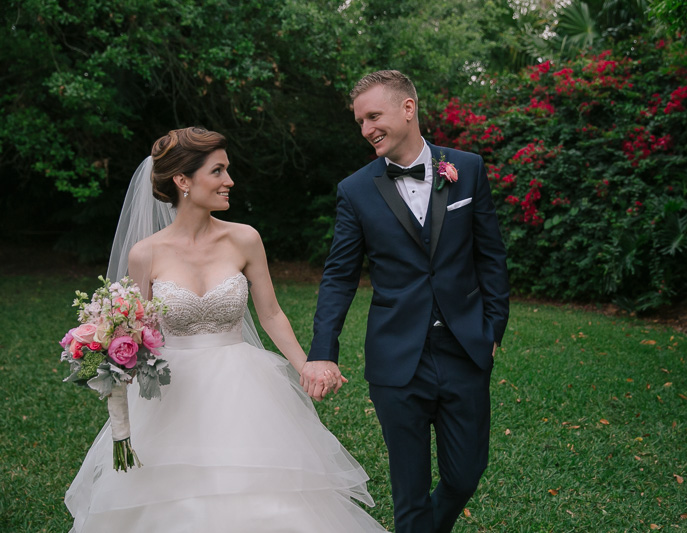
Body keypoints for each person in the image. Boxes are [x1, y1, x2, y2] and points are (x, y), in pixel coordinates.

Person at [65, 127, 386, 532]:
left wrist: (307, 366)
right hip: (171, 394)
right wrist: (110, 354)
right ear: (183, 180)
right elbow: (133, 328)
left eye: (227, 170)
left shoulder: (245, 239)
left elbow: (270, 314)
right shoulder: (145, 254)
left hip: (244, 387)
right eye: (217, 171)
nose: (229, 181)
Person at [301, 70, 510, 533]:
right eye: (360, 121)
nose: (366, 129)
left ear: (408, 108)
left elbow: (491, 256)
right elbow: (339, 276)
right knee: (409, 491)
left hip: (465, 350)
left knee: (464, 475)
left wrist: (493, 329)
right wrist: (322, 350)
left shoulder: (467, 168)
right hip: (397, 360)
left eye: (373, 116)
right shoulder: (355, 190)